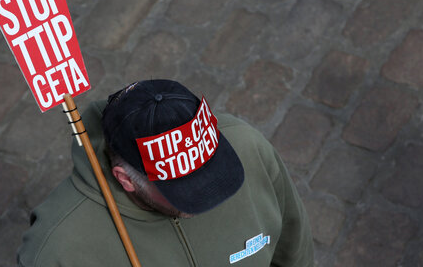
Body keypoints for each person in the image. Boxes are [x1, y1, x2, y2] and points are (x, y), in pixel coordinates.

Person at [17, 79, 314, 266]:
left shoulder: (248, 148)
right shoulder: (58, 249)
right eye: (182, 189)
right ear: (125, 179)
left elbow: (293, 245)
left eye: (211, 168)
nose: (208, 193)